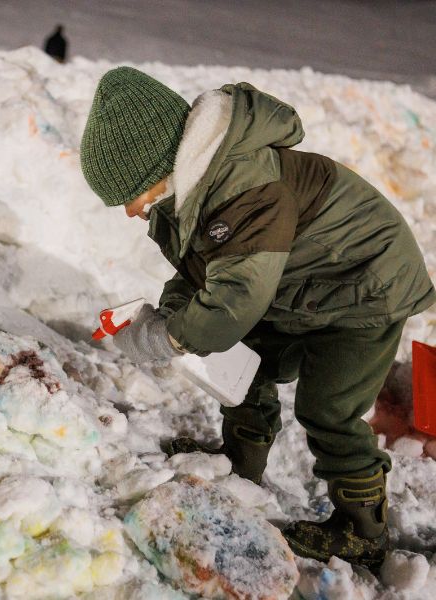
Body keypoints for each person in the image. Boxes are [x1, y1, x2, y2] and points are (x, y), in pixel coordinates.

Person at [79, 67, 435, 568]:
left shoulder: (242, 191)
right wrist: (170, 312)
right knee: (246, 361)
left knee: (328, 407)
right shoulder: (194, 190)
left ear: (155, 170)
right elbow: (206, 273)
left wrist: (168, 338)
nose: (128, 211)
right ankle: (240, 460)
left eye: (128, 196)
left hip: (365, 287)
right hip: (302, 284)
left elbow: (233, 302)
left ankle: (362, 530)